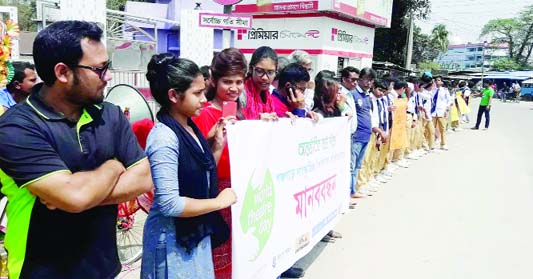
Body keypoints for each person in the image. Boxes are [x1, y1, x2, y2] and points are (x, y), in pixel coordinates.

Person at [0, 20, 153, 279]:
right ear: (62, 73)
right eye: (99, 68)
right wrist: (114, 167)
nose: (109, 75)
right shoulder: (16, 128)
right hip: (40, 271)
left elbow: (144, 177)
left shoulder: (110, 115)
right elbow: (74, 196)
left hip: (103, 268)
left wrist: (78, 197)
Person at [141, 53, 237, 279]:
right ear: (174, 95)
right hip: (172, 240)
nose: (204, 99)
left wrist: (216, 147)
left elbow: (201, 175)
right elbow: (170, 204)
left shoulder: (189, 127)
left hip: (194, 232)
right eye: (197, 93)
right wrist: (218, 202)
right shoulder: (164, 137)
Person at [192, 47, 246, 279]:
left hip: (240, 192)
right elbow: (196, 159)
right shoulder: (202, 115)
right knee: (216, 254)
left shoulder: (243, 115)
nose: (234, 88)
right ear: (213, 80)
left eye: (239, 81)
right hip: (215, 196)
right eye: (227, 81)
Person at [351, 67, 377, 199]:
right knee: (352, 165)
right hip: (356, 136)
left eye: (371, 80)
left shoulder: (367, 96)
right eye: (366, 79)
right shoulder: (353, 94)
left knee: (357, 166)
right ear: (360, 79)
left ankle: (353, 189)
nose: (368, 83)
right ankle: (350, 191)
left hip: (366, 135)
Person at [338, 66, 359, 206]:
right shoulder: (339, 94)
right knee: (346, 166)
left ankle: (349, 192)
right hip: (342, 136)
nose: (355, 83)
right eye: (353, 80)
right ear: (344, 79)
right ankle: (345, 196)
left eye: (357, 80)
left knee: (351, 165)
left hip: (351, 134)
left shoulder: (351, 93)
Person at [242, 46, 277, 120]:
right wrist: (257, 120)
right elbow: (233, 122)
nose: (265, 77)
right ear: (251, 69)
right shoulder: (241, 93)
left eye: (270, 72)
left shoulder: (268, 96)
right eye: (260, 71)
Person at [431, 76, 451, 150]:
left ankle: (443, 143)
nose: (437, 82)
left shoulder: (445, 90)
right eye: (436, 80)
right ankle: (431, 143)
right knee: (431, 128)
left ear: (442, 82)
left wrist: (447, 109)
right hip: (432, 112)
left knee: (442, 128)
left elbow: (449, 100)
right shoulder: (431, 90)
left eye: (439, 80)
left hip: (441, 111)